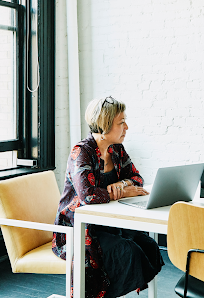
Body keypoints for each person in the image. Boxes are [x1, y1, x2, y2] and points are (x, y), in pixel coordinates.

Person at [52, 96, 164, 298]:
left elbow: (137, 178)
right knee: (127, 251)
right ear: (104, 126)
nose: (126, 127)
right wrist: (121, 193)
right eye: (121, 123)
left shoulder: (116, 150)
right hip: (79, 231)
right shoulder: (81, 152)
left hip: (107, 224)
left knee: (149, 246)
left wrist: (122, 185)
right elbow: (88, 195)